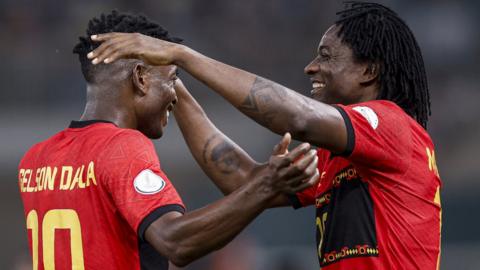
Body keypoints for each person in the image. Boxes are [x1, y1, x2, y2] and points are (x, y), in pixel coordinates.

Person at [88, 2, 443, 269]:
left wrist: (185, 55)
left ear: (369, 70)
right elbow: (242, 179)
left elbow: (298, 117)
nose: (311, 67)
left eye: (326, 56)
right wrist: (171, 79)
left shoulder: (392, 125)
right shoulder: (339, 154)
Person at [17, 11, 320, 270]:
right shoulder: (120, 146)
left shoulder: (36, 159)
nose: (175, 94)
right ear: (140, 78)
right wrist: (268, 183)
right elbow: (175, 241)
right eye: (173, 79)